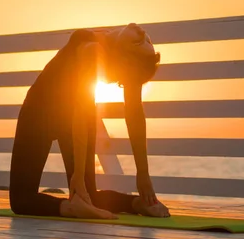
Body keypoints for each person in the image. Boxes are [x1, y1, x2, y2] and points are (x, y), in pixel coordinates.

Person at [9, 23, 170, 220]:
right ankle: (71, 207)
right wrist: (77, 175)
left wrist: (143, 174)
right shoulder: (91, 50)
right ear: (123, 59)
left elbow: (134, 115)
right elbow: (80, 110)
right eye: (125, 79)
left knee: (88, 196)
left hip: (74, 116)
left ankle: (137, 203)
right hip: (39, 112)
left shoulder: (139, 51)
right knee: (21, 200)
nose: (124, 83)